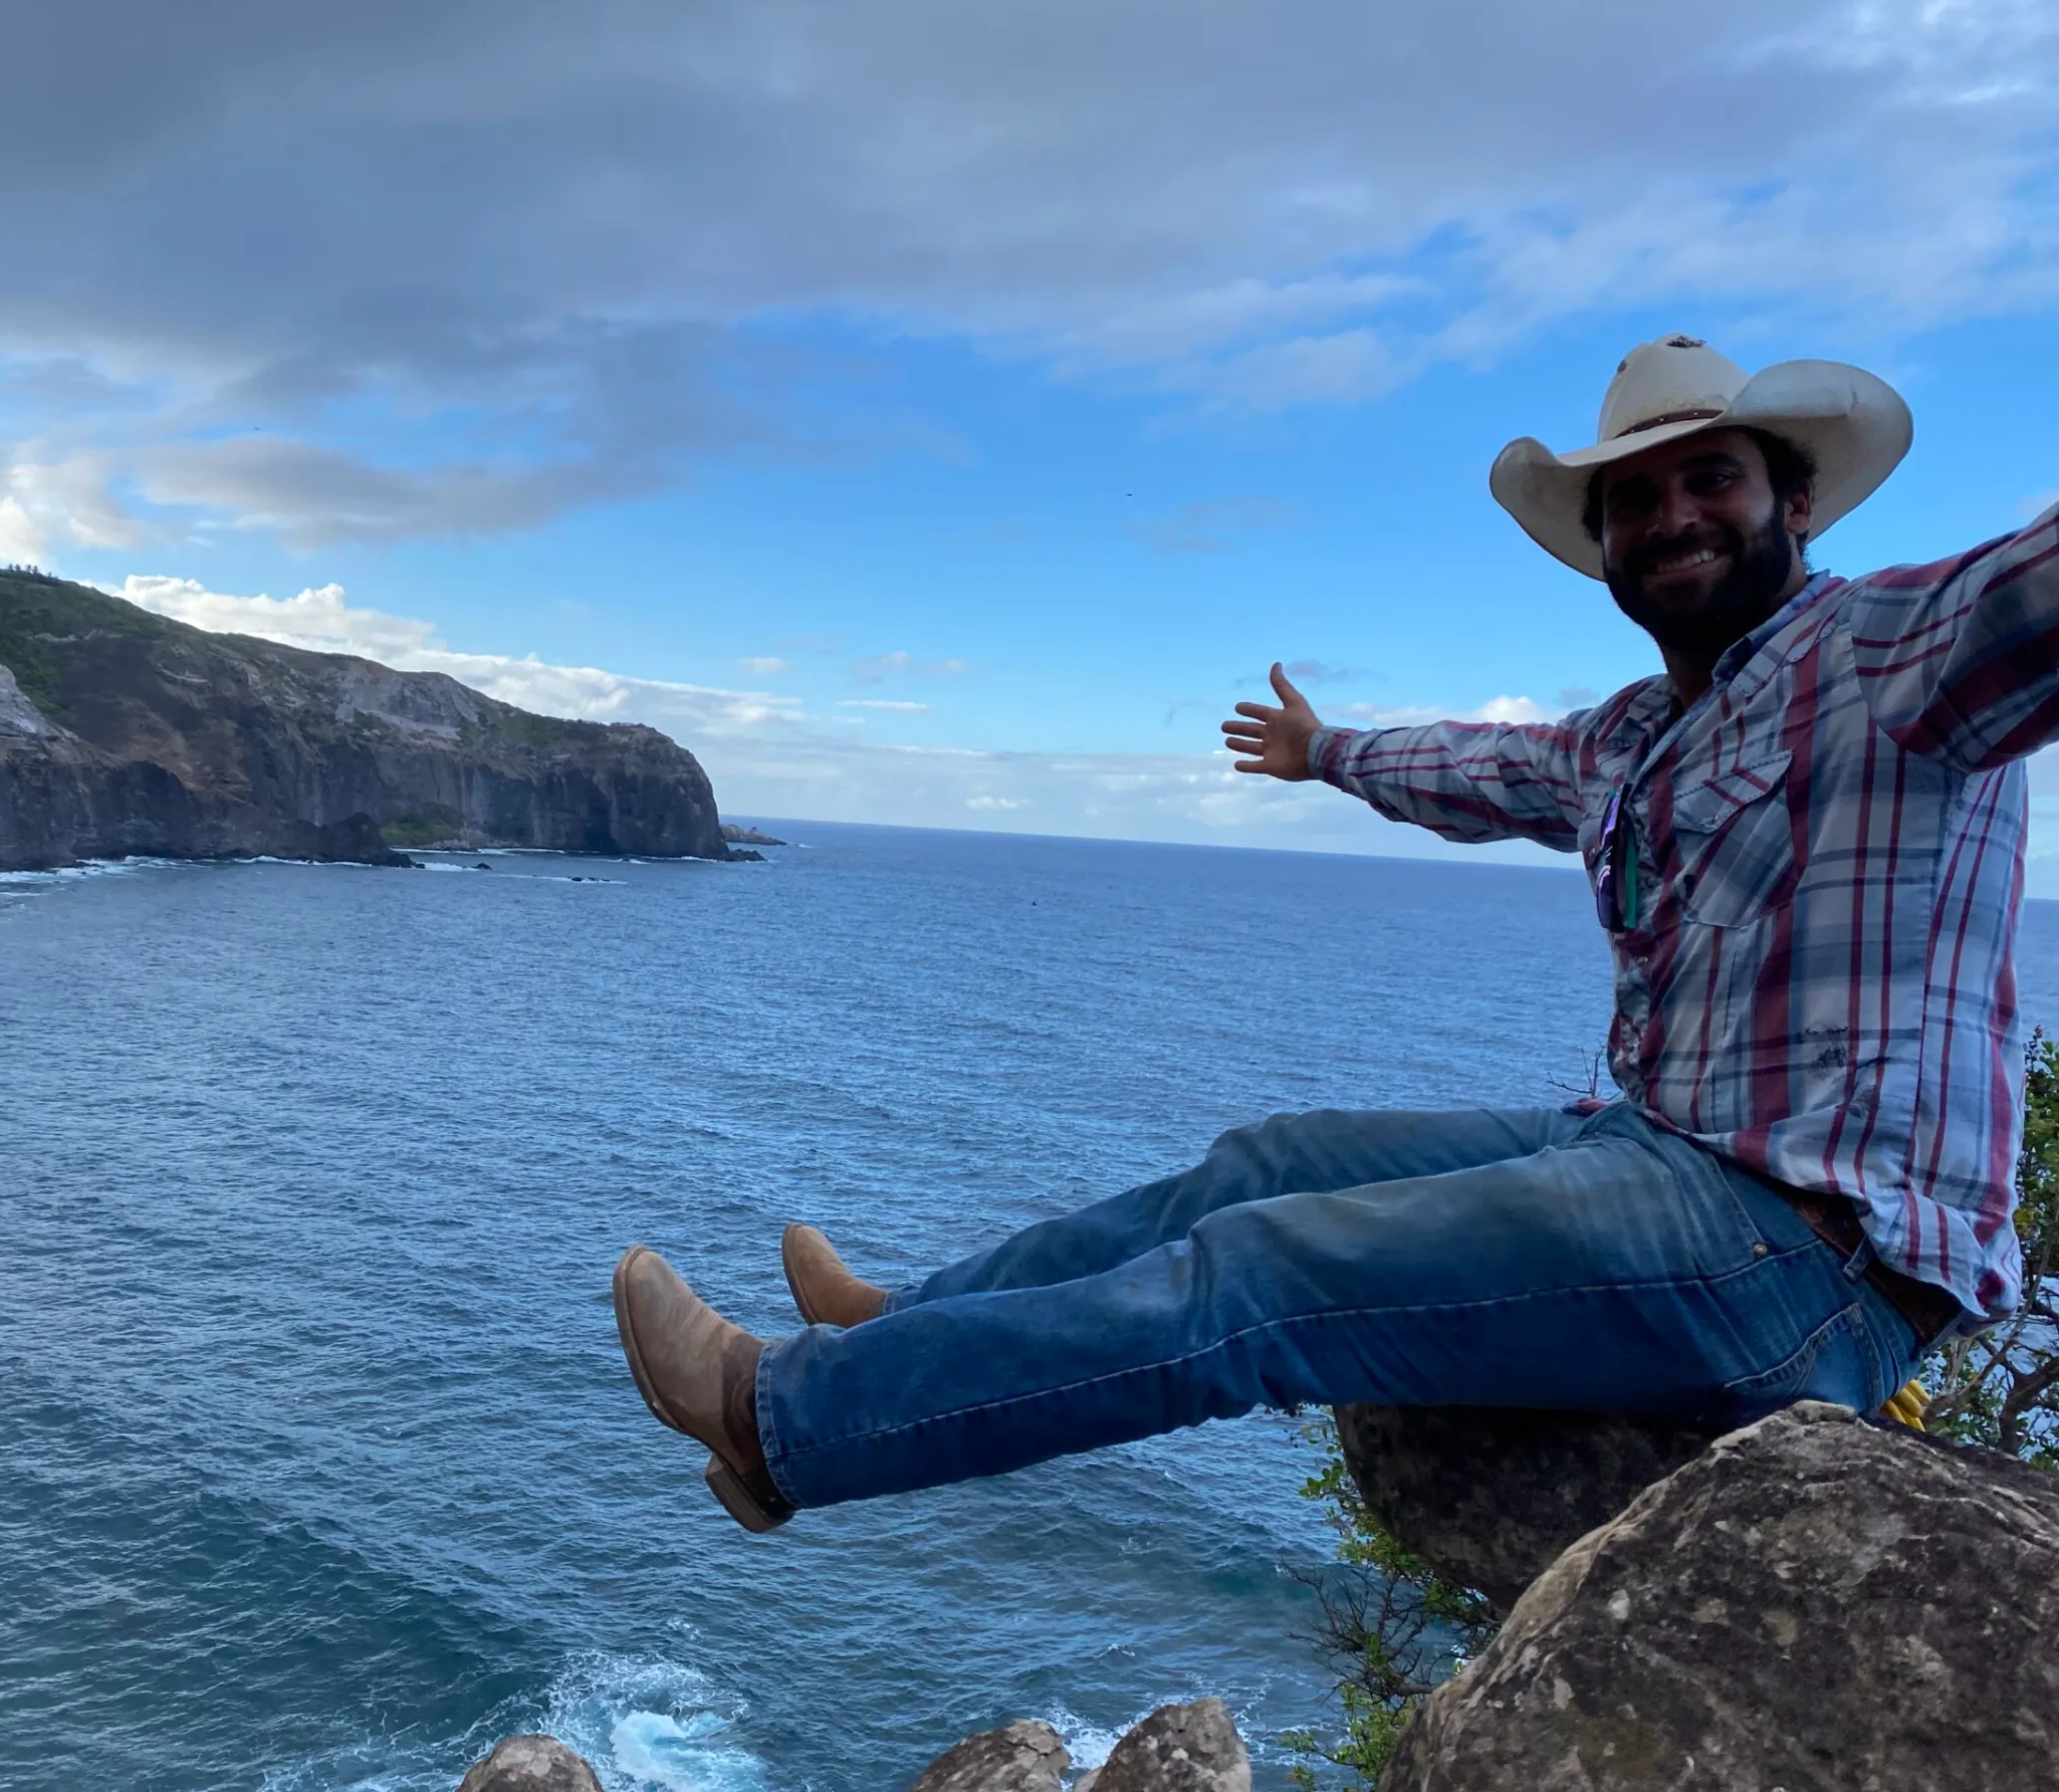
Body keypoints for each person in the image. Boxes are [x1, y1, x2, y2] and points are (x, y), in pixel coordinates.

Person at [611, 334, 2051, 1533]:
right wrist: (1327, 753)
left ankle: (782, 1421)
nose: (1673, 515)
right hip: (1658, 1152)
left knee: (1264, 1268)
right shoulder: (1636, 734)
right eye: (1635, 497)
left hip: (1807, 1254)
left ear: (1796, 500)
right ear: (1603, 544)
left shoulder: (1895, 654)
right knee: (1269, 1161)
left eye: (1712, 478)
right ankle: (896, 1325)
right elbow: (1489, 769)